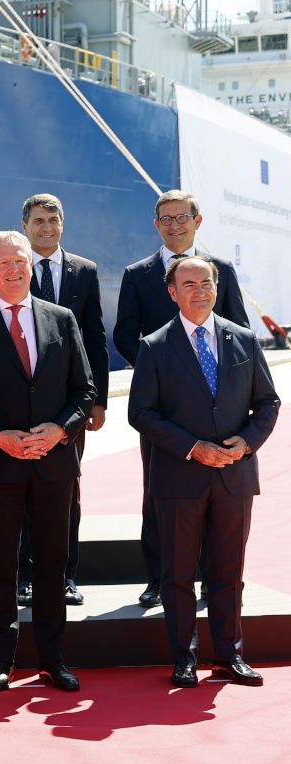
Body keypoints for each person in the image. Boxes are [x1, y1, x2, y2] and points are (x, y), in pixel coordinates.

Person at [0, 231, 94, 693]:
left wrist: (61, 429)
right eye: (3, 263)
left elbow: (85, 391)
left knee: (53, 562)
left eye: (20, 261)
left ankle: (53, 659)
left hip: (54, 463)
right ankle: (1, 661)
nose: (13, 269)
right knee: (1, 564)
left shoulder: (62, 319)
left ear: (31, 266)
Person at [128, 256, 280, 688]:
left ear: (216, 287)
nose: (199, 290)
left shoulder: (245, 340)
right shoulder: (155, 345)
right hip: (180, 478)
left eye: (206, 282)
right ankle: (185, 658)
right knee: (177, 574)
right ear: (172, 292)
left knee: (228, 573)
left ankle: (230, 656)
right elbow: (141, 412)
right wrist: (194, 448)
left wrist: (246, 442)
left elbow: (268, 403)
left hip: (234, 476)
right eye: (188, 283)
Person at [114, 190, 251, 609]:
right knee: (158, 494)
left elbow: (240, 333)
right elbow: (124, 333)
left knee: (220, 496)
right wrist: (161, 374)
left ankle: (212, 579)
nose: (174, 225)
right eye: (166, 219)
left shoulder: (221, 271)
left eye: (182, 217)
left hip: (217, 407)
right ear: (156, 225)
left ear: (197, 220)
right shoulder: (137, 274)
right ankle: (159, 578)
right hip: (162, 410)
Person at [0, 194, 108, 608]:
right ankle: (25, 577)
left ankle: (64, 577)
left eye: (53, 220)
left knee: (66, 495)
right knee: (21, 492)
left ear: (63, 223)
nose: (46, 228)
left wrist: (97, 403)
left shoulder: (84, 271)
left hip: (69, 407)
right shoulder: (8, 269)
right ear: (24, 225)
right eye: (38, 221)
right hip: (16, 404)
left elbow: (95, 338)